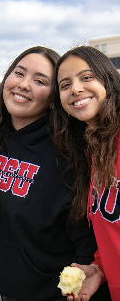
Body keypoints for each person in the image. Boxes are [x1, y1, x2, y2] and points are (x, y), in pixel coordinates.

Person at [0, 46, 108, 301]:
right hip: (6, 289)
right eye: (19, 73)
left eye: (40, 81)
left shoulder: (69, 151)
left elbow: (86, 237)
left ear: (53, 98)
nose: (24, 85)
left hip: (61, 293)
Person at [53, 46, 118, 300]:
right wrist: (99, 269)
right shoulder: (93, 149)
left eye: (86, 77)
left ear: (108, 80)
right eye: (65, 84)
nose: (76, 89)